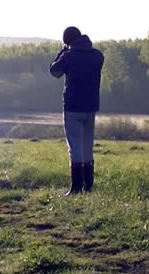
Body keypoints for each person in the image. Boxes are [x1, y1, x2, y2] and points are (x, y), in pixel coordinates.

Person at [50, 26, 104, 196]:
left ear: (67, 41)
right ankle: (88, 187)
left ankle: (75, 188)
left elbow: (54, 71)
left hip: (73, 106)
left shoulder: (68, 56)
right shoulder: (97, 56)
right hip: (91, 106)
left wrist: (62, 52)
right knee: (87, 146)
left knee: (75, 147)